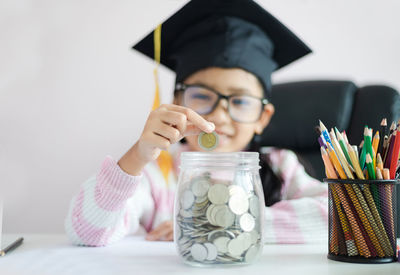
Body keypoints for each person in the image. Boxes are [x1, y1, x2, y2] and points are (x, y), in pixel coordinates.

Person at [65, 0, 328, 246]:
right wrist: (137, 156)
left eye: (240, 101)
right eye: (202, 96)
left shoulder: (280, 167)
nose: (220, 117)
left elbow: (338, 216)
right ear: (177, 102)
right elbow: (87, 233)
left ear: (263, 117)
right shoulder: (159, 172)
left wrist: (218, 223)